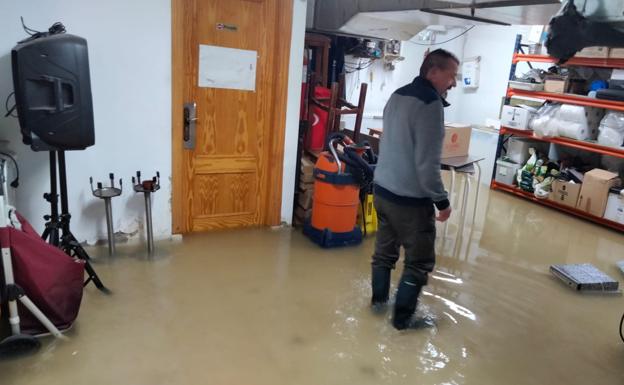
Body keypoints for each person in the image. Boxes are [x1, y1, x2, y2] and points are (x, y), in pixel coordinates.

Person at [370, 49, 458, 330]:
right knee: (418, 263)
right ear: (433, 72)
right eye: (451, 75)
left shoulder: (398, 95)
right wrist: (442, 202)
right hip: (409, 202)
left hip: (382, 191)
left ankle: (377, 307)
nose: (453, 83)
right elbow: (427, 164)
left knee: (383, 255)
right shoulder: (430, 104)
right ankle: (402, 322)